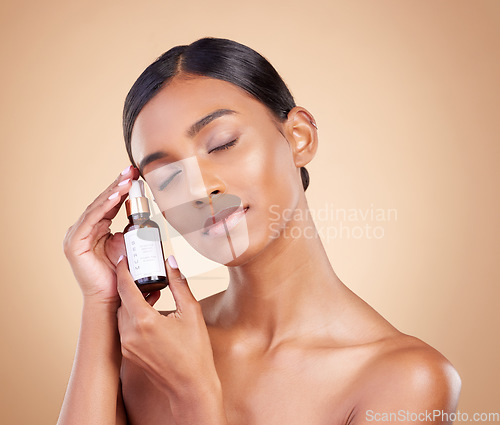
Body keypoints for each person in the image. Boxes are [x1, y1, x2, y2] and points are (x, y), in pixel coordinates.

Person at [58, 37, 461, 425]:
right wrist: (100, 302)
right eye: (167, 177)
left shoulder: (406, 379)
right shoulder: (150, 348)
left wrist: (193, 393)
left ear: (299, 137)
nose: (199, 189)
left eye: (222, 144)